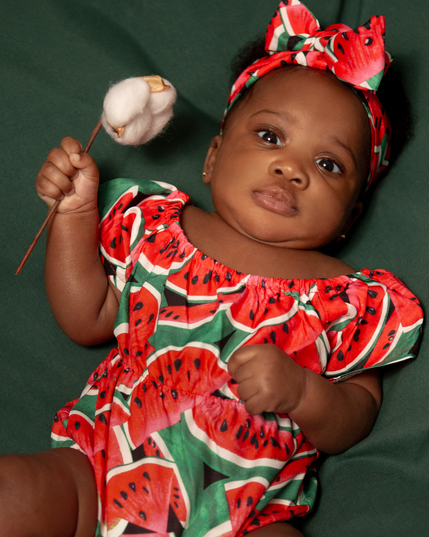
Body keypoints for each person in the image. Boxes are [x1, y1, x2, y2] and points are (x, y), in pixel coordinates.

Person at [1, 2, 423, 536]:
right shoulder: (157, 225)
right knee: (12, 492)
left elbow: (355, 416)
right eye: (270, 136)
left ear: (351, 215)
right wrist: (73, 215)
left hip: (244, 515)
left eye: (328, 165)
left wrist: (302, 392)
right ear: (213, 155)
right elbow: (86, 317)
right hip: (102, 471)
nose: (290, 168)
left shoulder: (350, 299)